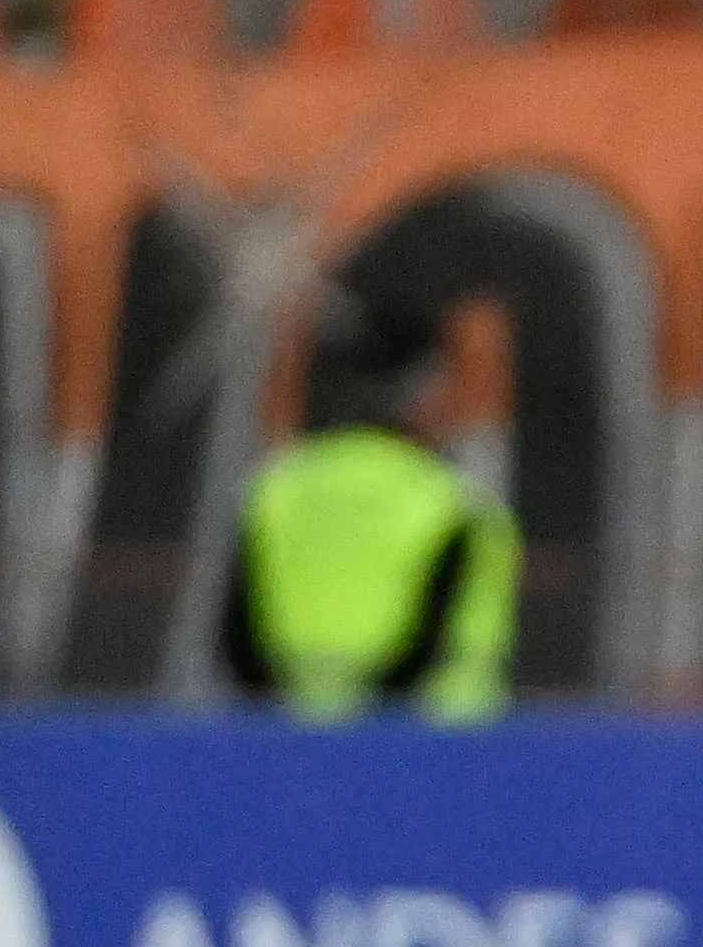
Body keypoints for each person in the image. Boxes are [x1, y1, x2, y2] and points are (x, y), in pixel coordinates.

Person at [220, 297, 518, 723]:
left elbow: (238, 639)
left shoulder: (275, 491)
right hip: (439, 750)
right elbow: (436, 637)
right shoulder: (454, 505)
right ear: (425, 394)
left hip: (293, 748)